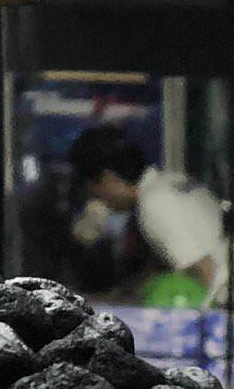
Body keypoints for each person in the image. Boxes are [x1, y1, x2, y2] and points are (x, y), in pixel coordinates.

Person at [69, 124, 228, 305]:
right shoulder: (171, 181)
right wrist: (112, 300)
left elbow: (206, 270)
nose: (101, 201)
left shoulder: (155, 203)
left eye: (96, 192)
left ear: (108, 179)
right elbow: (157, 274)